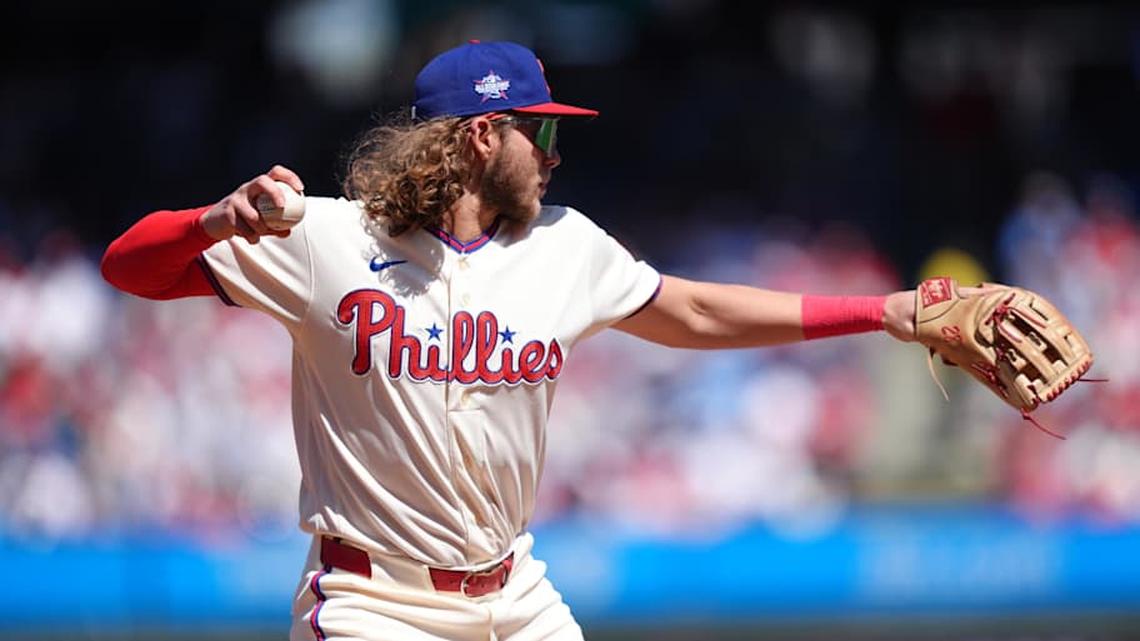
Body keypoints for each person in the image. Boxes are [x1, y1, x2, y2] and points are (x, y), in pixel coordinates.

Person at [101, 40, 916, 641]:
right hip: (375, 606)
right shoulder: (326, 239)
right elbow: (128, 266)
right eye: (543, 134)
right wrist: (209, 219)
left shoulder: (564, 244)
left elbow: (695, 312)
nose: (554, 156)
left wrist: (884, 312)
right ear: (483, 136)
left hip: (515, 595)